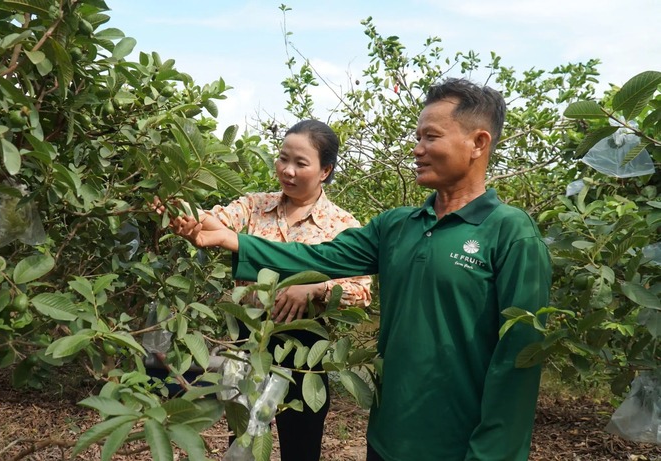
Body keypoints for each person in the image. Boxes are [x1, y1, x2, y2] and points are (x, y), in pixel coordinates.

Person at [168, 79, 552, 461]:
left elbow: (519, 359)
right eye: (417, 137)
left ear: (478, 143)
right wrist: (233, 240)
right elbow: (318, 258)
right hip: (387, 436)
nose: (417, 150)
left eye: (431, 137)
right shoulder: (397, 226)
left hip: (460, 443)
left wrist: (493, 452)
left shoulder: (510, 233)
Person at [190, 120, 372, 460]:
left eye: (300, 163)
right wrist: (190, 218)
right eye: (282, 158)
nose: (287, 171)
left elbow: (361, 292)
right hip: (249, 342)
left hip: (304, 351)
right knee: (242, 443)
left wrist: (317, 290)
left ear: (325, 170)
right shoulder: (255, 205)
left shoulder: (343, 225)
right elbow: (217, 220)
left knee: (300, 447)